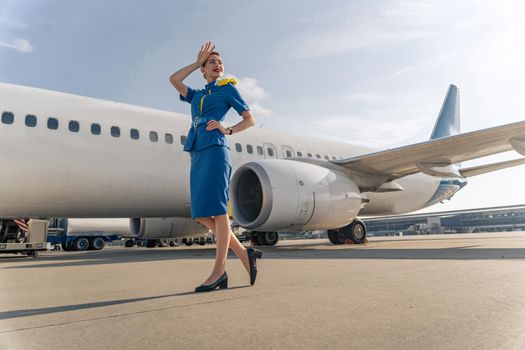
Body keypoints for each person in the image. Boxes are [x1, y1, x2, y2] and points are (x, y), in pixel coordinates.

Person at [169, 42, 263, 292]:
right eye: (212, 62)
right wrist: (196, 61)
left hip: (216, 150)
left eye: (220, 62)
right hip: (198, 151)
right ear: (203, 69)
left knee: (219, 211)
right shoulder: (198, 95)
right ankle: (244, 253)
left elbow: (250, 119)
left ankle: (219, 271)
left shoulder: (227, 89)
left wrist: (228, 129)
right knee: (200, 212)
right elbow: (174, 79)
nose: (218, 64)